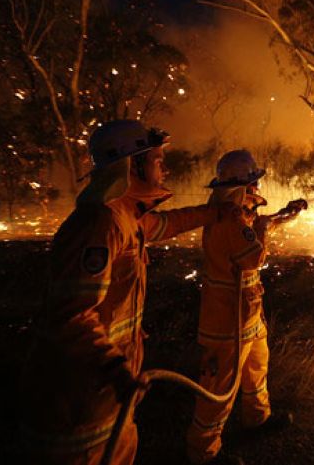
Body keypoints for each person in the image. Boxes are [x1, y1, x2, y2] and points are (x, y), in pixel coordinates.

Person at [20, 120, 239, 465]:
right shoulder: (100, 224)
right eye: (155, 159)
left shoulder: (124, 215)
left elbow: (169, 224)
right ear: (130, 164)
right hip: (82, 390)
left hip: (107, 388)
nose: (164, 167)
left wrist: (217, 212)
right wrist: (114, 366)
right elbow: (71, 315)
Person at [186, 150, 306, 465]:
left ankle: (257, 418)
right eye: (253, 183)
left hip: (247, 312)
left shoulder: (237, 213)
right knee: (220, 385)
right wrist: (267, 228)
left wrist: (285, 215)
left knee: (256, 367)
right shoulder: (230, 218)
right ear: (241, 186)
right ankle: (203, 452)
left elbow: (258, 225)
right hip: (226, 318)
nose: (257, 188)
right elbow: (253, 255)